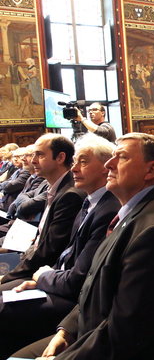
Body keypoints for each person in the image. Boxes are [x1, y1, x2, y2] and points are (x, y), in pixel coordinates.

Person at [11, 133, 154, 359]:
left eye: (121, 157)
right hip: (88, 330)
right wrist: (66, 331)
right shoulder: (132, 213)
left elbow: (126, 330)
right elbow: (93, 284)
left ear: (150, 171)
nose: (109, 163)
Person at [0, 134, 121, 359]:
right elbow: (66, 256)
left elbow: (80, 279)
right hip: (58, 281)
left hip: (73, 298)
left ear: (106, 168)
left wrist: (43, 277)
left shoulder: (107, 209)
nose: (74, 168)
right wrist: (40, 277)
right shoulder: (89, 201)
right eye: (75, 161)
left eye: (83, 162)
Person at [0, 134, 86, 286]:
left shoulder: (70, 194)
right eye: (33, 155)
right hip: (31, 256)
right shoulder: (54, 186)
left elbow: (50, 250)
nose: (33, 161)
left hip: (47, 270)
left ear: (60, 158)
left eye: (39, 155)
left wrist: (7, 277)